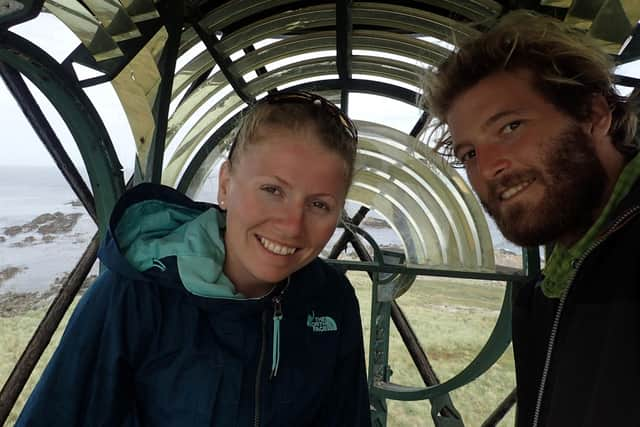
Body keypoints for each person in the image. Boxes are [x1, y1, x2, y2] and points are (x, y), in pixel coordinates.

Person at [16, 91, 371, 426]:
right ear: (226, 186)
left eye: (319, 204)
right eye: (272, 190)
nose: (292, 226)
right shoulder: (136, 294)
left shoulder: (331, 299)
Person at [422, 10, 640, 427]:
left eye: (510, 127)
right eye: (469, 153)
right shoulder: (549, 291)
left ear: (594, 114)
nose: (487, 168)